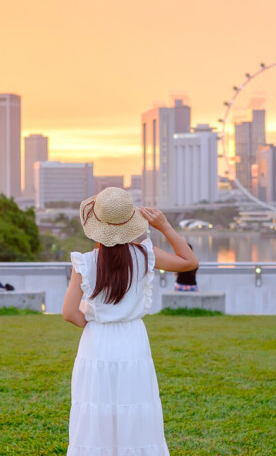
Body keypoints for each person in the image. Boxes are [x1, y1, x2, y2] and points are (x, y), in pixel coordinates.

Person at [62, 187, 198, 455]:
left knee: (96, 406)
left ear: (96, 224)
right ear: (130, 221)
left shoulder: (85, 262)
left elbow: (69, 312)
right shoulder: (146, 255)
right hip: (132, 340)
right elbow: (189, 262)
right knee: (135, 404)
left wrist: (91, 323)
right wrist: (165, 226)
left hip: (97, 341)